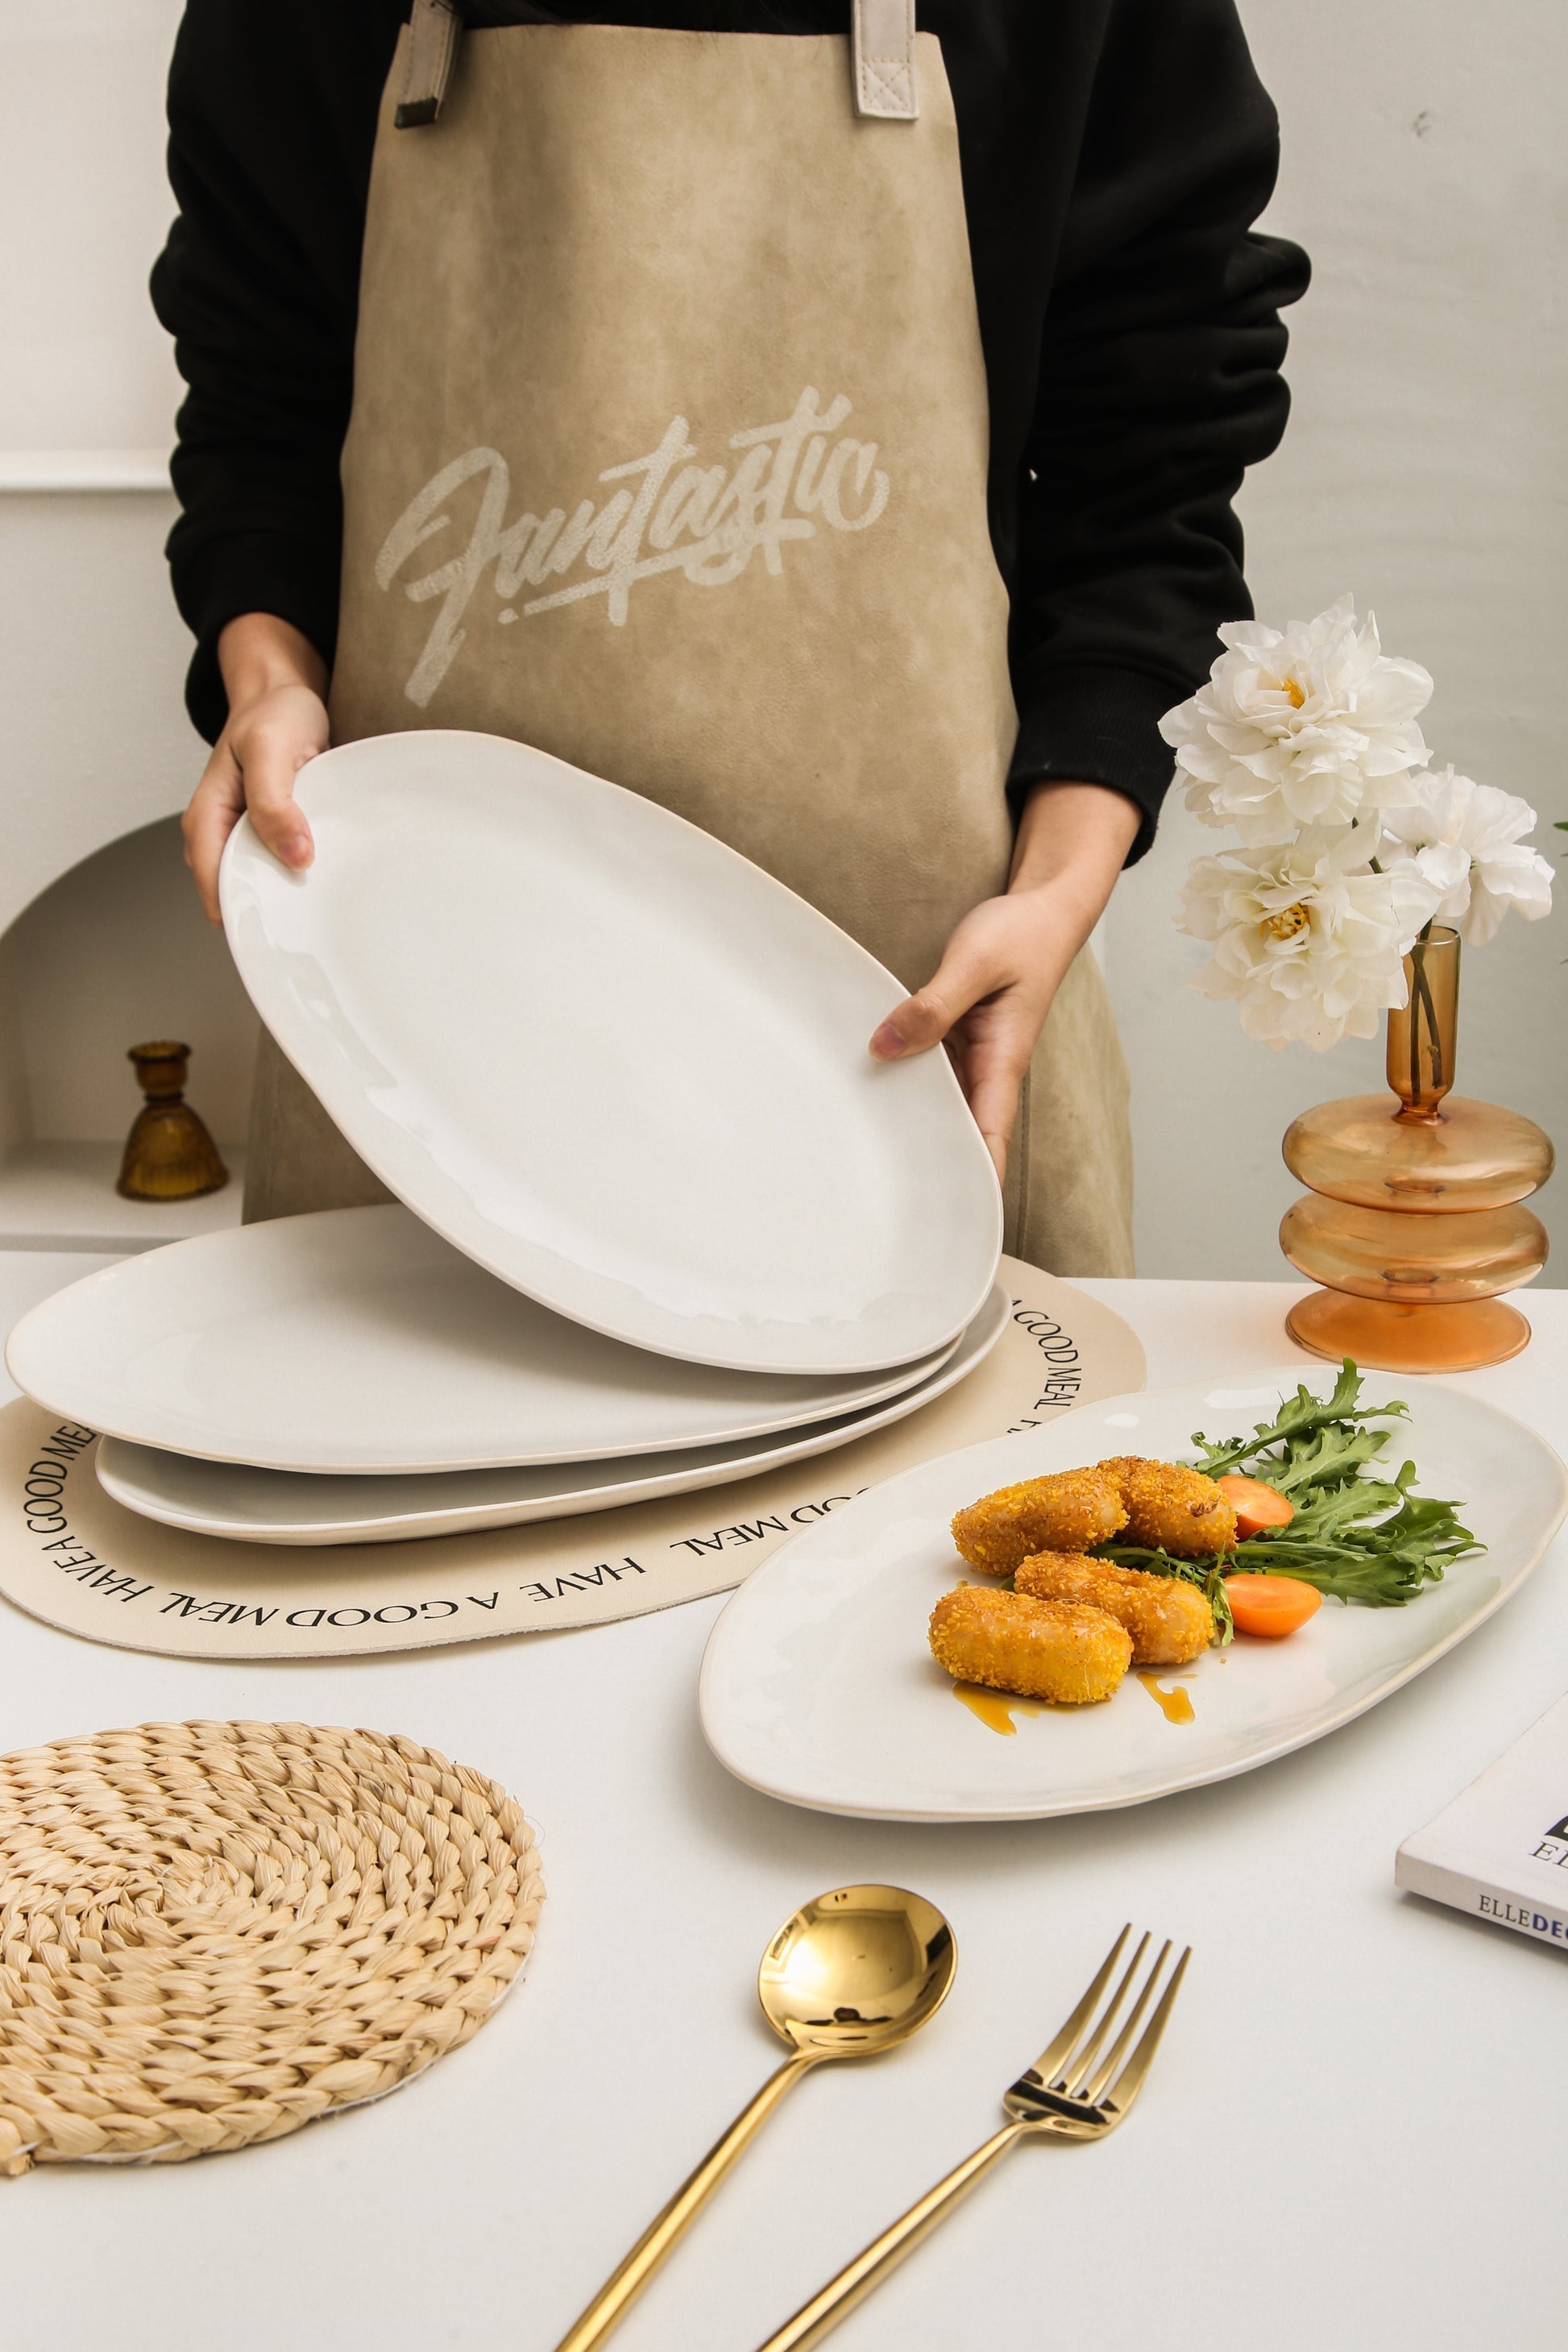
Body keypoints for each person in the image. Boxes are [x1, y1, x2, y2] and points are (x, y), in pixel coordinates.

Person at [153, 0, 1308, 1270]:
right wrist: (267, 675)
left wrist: (1058, 886)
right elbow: (259, 396)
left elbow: (1151, 456)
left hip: (919, 1011)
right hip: (427, 1029)